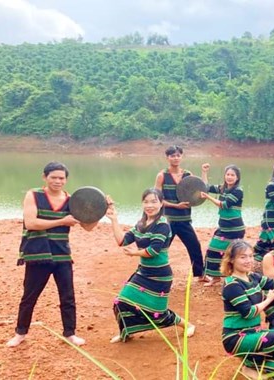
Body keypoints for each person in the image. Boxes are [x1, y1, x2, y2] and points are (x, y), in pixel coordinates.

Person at [7, 162, 96, 348]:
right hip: (38, 254)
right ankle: (20, 333)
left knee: (67, 296)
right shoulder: (33, 195)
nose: (57, 181)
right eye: (53, 177)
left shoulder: (71, 200)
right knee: (29, 296)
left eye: (61, 178)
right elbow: (31, 223)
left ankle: (70, 333)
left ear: (66, 180)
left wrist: (99, 210)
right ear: (44, 177)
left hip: (62, 255)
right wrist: (62, 221)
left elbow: (87, 227)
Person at [105, 189, 195, 343]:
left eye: (154, 201)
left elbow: (153, 250)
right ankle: (126, 331)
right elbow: (122, 241)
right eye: (146, 201)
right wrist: (114, 219)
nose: (150, 205)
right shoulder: (140, 224)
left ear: (161, 204)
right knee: (121, 302)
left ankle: (187, 325)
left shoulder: (163, 224)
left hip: (160, 275)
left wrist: (135, 253)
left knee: (158, 313)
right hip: (143, 272)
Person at [221, 240, 274, 379]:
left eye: (251, 256)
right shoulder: (231, 285)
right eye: (243, 257)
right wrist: (268, 300)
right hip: (235, 337)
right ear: (232, 260)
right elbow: (248, 312)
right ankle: (250, 368)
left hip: (251, 332)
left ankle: (252, 367)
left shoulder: (252, 277)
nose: (248, 260)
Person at [154, 145, 205, 281]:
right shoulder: (162, 176)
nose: (175, 158)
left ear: (181, 157)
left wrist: (201, 194)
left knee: (194, 246)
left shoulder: (188, 175)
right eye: (172, 155)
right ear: (167, 158)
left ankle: (200, 275)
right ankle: (151, 273)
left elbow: (198, 193)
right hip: (168, 221)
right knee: (160, 247)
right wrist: (176, 205)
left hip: (184, 219)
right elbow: (156, 199)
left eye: (178, 155)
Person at [200, 164, 245, 286]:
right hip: (224, 228)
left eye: (232, 175)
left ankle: (236, 278)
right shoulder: (223, 188)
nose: (229, 177)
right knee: (213, 250)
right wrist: (204, 172)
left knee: (233, 254)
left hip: (235, 229)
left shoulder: (238, 191)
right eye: (228, 174)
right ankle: (216, 278)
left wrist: (208, 197)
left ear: (237, 177)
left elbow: (224, 205)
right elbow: (206, 187)